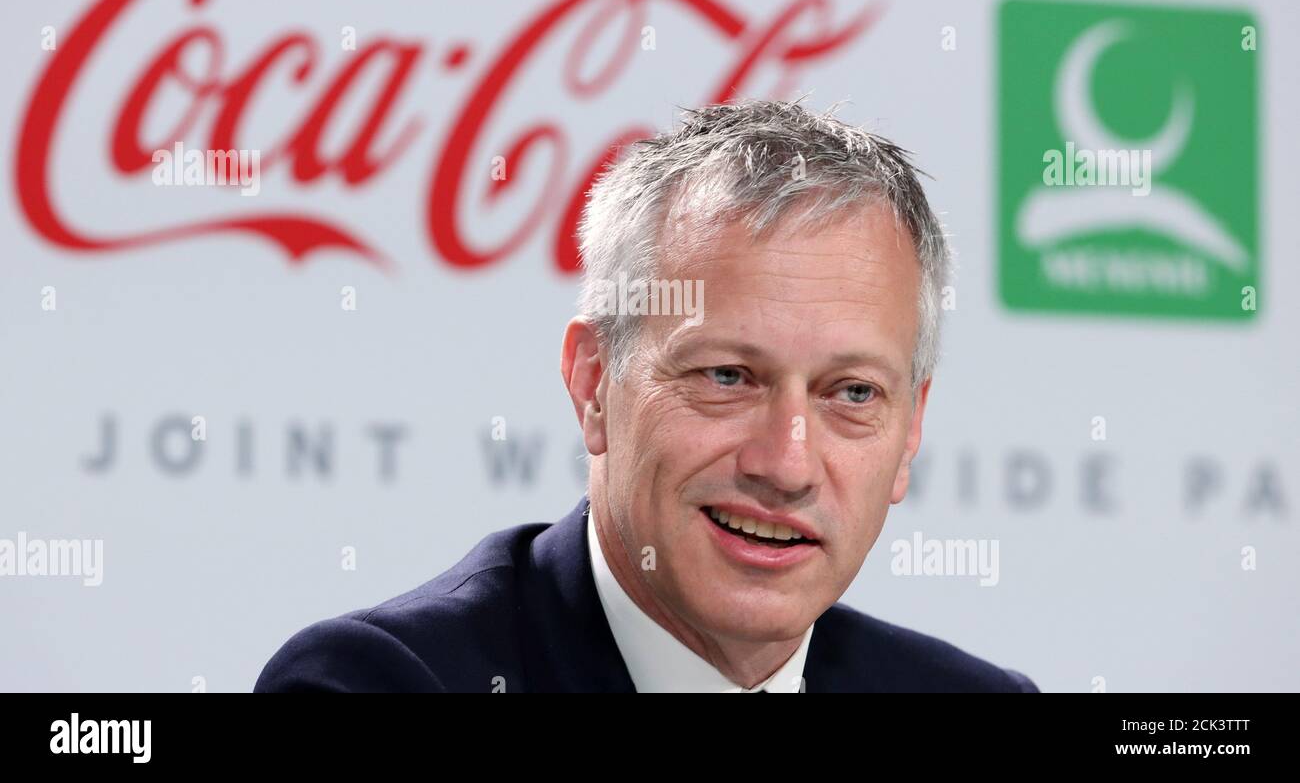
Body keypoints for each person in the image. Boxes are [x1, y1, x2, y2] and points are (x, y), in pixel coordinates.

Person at [255, 98, 1039, 692]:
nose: (788, 464)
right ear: (594, 383)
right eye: (728, 377)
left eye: (853, 393)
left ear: (910, 434)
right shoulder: (376, 683)